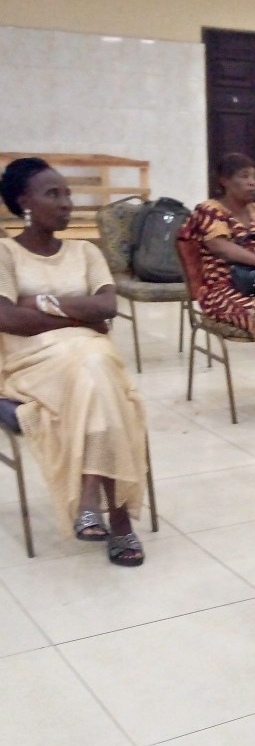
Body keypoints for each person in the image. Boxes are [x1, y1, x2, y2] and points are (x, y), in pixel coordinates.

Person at [0, 158, 148, 565]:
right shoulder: (5, 253)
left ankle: (89, 498)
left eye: (68, 194)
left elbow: (107, 307)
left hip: (90, 356)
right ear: (24, 201)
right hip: (32, 362)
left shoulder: (86, 251)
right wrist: (78, 316)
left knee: (94, 371)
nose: (67, 203)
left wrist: (37, 303)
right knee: (99, 377)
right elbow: (7, 319)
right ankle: (120, 521)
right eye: (54, 194)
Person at [181, 153, 255, 334]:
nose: (253, 183)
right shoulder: (209, 210)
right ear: (224, 180)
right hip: (224, 289)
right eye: (244, 176)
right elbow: (221, 247)